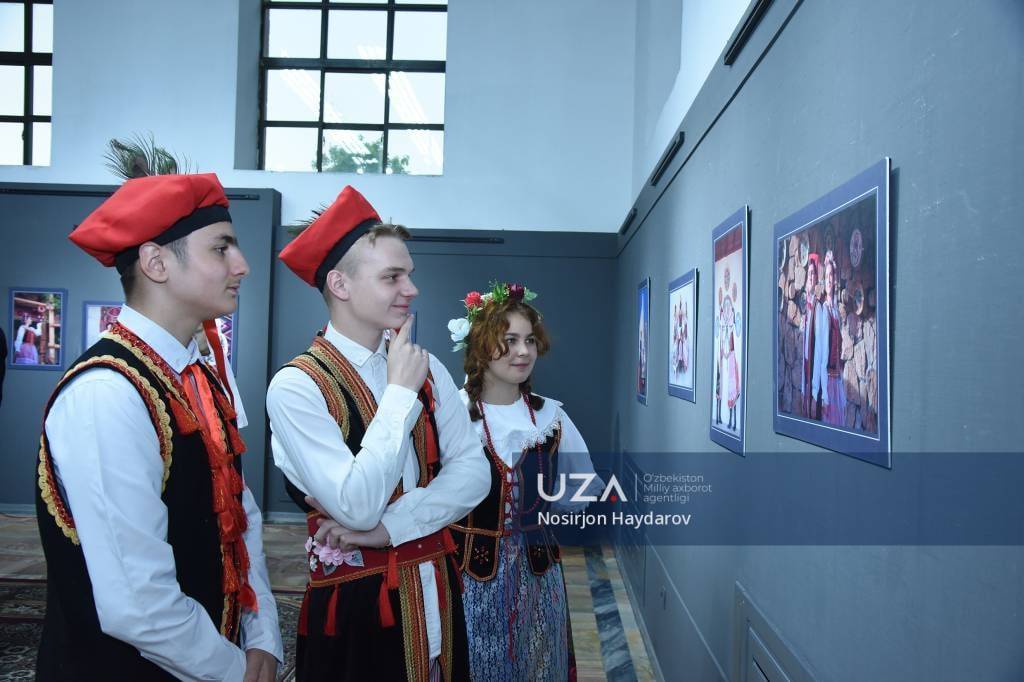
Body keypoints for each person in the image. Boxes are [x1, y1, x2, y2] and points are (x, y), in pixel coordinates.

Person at [36, 173, 282, 680]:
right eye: (222, 248)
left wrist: (261, 636)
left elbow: (240, 514)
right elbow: (138, 604)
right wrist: (234, 670)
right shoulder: (107, 392)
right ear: (156, 263)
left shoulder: (196, 376)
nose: (242, 265)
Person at [267, 185, 489, 681]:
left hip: (437, 588)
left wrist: (393, 526)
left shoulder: (426, 368)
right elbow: (357, 506)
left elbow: (475, 473)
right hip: (357, 608)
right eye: (392, 276)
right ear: (340, 284)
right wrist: (399, 394)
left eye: (408, 274)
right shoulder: (297, 386)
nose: (411, 289)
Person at [446, 282, 602, 681]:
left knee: (539, 663)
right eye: (510, 340)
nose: (523, 351)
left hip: (539, 574)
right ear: (480, 346)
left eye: (529, 340)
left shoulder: (550, 417)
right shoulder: (452, 415)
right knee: (477, 663)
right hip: (468, 576)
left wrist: (538, 512)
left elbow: (577, 489)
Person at [816, 251, 846, 426]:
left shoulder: (836, 312)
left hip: (837, 381)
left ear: (834, 280)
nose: (828, 280)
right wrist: (825, 397)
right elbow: (821, 356)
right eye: (826, 276)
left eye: (831, 276)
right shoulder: (824, 310)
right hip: (827, 382)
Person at [801, 253, 821, 420]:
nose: (810, 276)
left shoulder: (817, 306)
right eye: (809, 273)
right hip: (805, 362)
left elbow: (819, 348)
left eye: (813, 273)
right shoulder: (805, 303)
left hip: (813, 364)